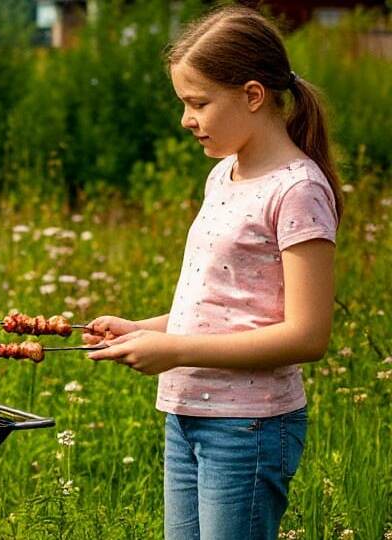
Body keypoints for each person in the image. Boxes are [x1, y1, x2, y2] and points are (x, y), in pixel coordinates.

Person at [82, 6, 341, 539]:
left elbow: (308, 335)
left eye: (198, 103)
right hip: (187, 416)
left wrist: (175, 350)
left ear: (252, 95)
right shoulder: (224, 175)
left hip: (248, 427)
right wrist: (145, 330)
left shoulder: (298, 190)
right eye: (184, 103)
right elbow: (222, 305)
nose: (186, 119)